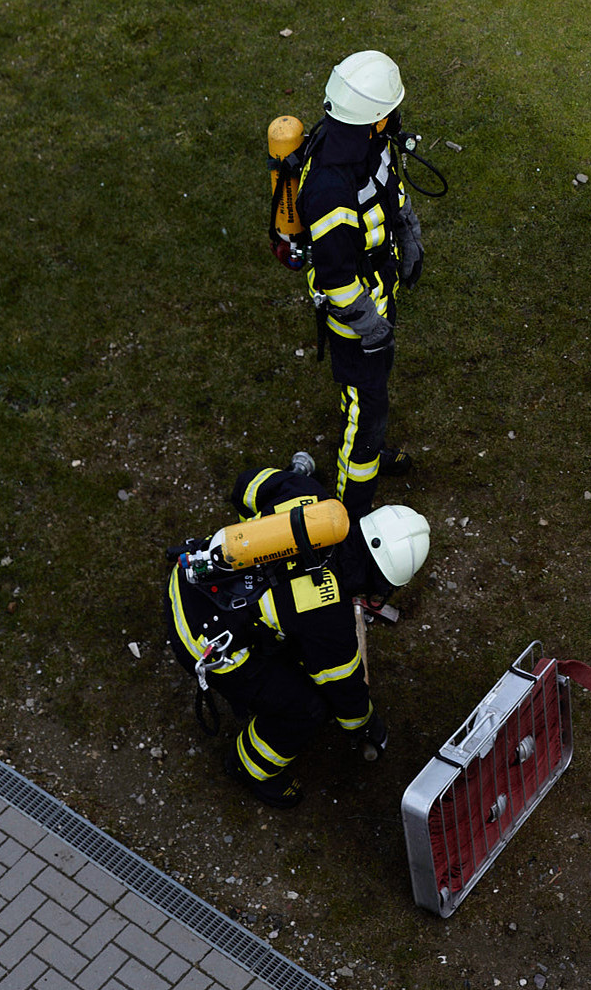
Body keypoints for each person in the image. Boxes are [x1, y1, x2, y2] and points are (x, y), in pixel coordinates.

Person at [166, 453, 431, 807]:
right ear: (381, 580)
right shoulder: (328, 616)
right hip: (201, 640)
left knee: (289, 642)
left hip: (188, 575)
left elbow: (247, 485)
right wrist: (366, 725)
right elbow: (343, 687)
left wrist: (258, 540)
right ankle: (248, 768)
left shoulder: (310, 497)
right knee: (304, 709)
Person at [298, 51, 423, 511]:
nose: (395, 118)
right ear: (372, 119)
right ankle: (350, 510)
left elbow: (389, 189)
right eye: (389, 112)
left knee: (374, 393)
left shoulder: (368, 144)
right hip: (356, 320)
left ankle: (368, 448)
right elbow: (335, 279)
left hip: (378, 295)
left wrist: (408, 231)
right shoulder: (329, 188)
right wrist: (369, 326)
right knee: (364, 407)